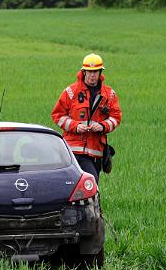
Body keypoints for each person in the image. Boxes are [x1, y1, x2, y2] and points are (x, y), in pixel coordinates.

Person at [50, 53, 122, 181]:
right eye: (89, 72)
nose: (92, 75)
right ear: (83, 72)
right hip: (72, 151)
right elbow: (57, 115)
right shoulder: (71, 92)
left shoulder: (109, 94)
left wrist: (102, 126)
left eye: (95, 72)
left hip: (95, 152)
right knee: (78, 186)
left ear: (100, 73)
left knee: (91, 187)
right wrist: (76, 126)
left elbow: (116, 117)